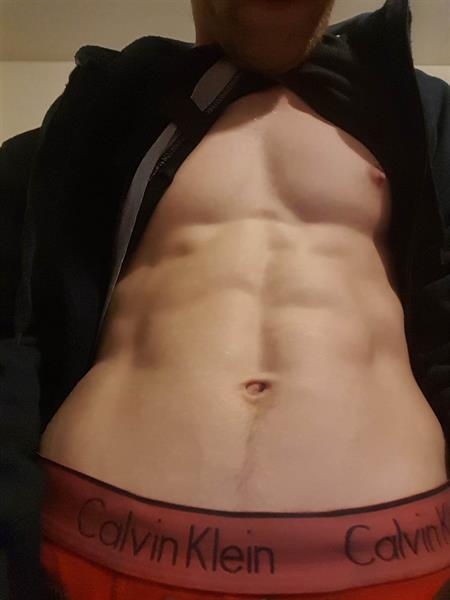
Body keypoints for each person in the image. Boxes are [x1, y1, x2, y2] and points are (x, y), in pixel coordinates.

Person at [1, 0, 449, 598]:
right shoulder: (84, 130)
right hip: (91, 555)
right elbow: (16, 337)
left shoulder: (420, 119)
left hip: (400, 564)